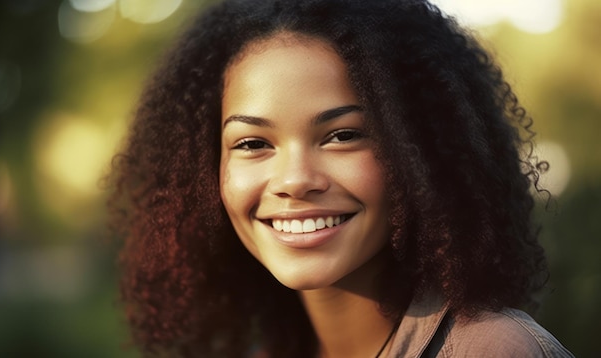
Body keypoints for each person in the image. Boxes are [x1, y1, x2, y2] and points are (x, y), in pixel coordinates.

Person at [108, 0, 574, 357]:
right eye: (252, 144)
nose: (294, 180)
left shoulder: (494, 349)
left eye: (342, 135)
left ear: (422, 151)